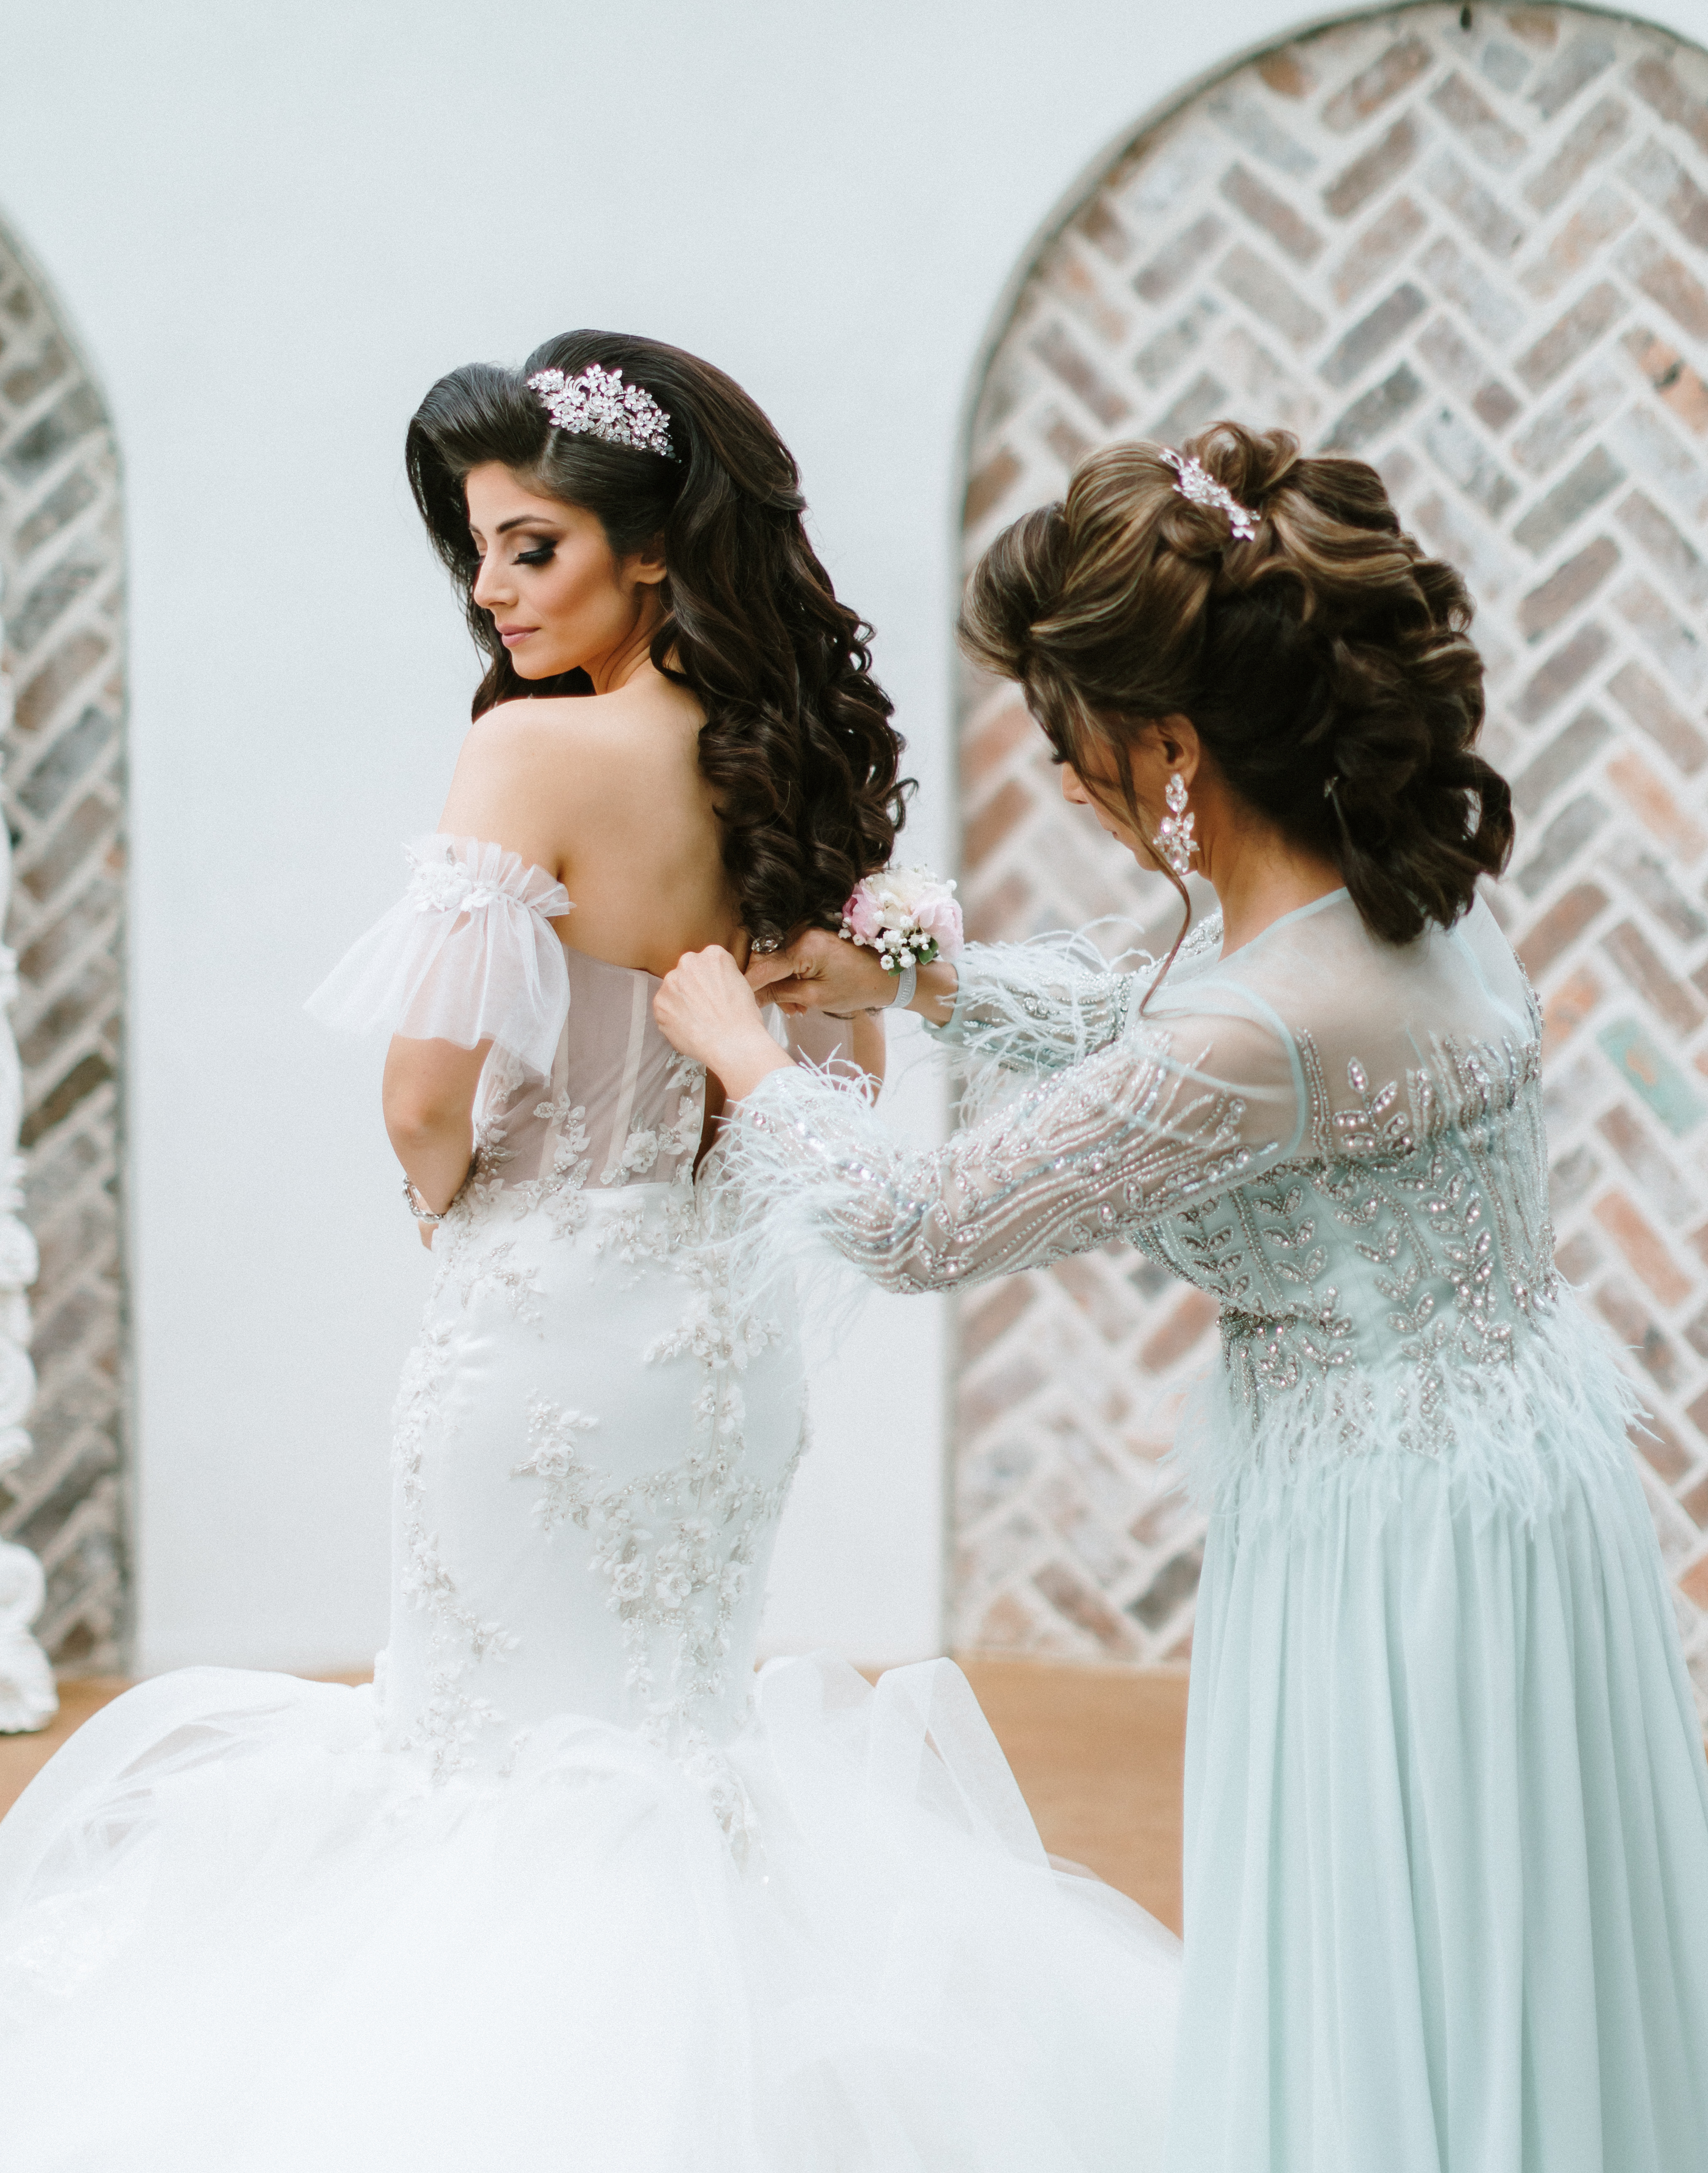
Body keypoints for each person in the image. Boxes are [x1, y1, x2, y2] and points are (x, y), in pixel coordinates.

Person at [0, 333, 1178, 2172]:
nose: (491, 591)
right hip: (722, 1349)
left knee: (485, 1764)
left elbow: (419, 1088)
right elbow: (841, 1065)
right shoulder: (790, 762)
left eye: (528, 546)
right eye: (474, 552)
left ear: (646, 545)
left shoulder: (529, 748)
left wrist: (449, 1193)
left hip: (542, 1325)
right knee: (669, 1741)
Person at [657, 423, 1708, 2173]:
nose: (1059, 782)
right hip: (1496, 1482)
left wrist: (749, 1058)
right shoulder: (1400, 889)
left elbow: (927, 1220)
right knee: (1494, 1931)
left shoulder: (1264, 1015)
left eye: (1065, 745)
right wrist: (921, 979)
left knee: (1401, 1928)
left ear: (1168, 746)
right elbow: (1169, 1044)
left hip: (1396, 1545)